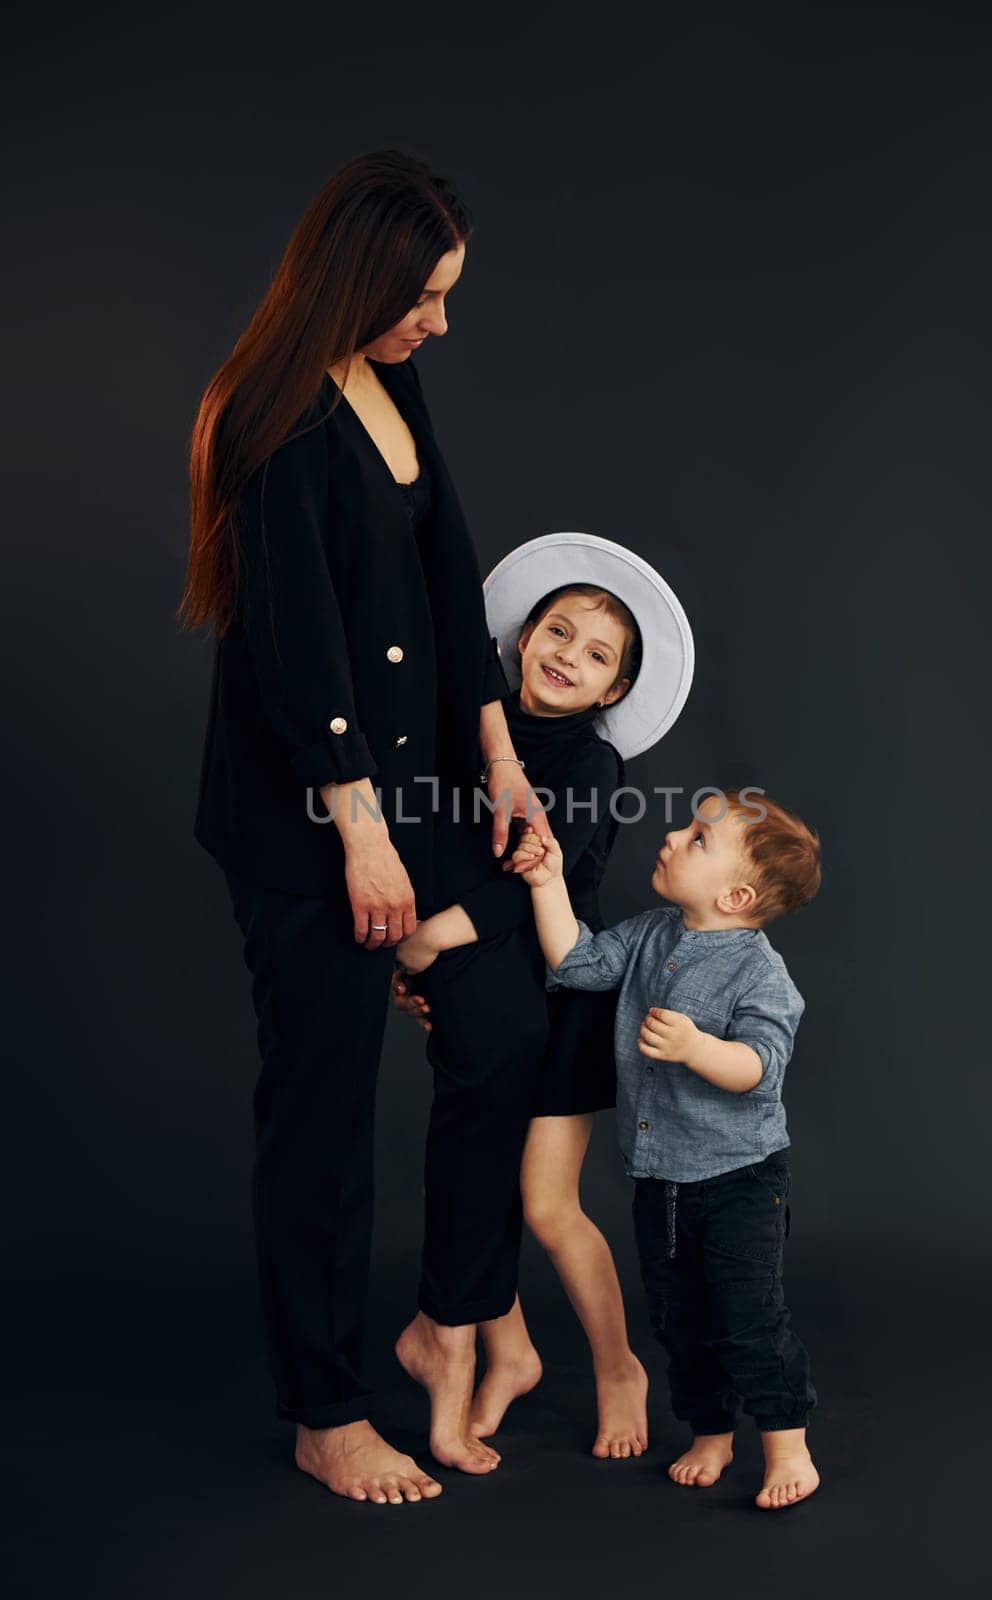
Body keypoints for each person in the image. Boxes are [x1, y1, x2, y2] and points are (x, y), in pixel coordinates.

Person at [179, 148, 548, 1507]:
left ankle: (448, 1318)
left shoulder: (389, 380)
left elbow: (447, 574)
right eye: (423, 297)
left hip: (420, 796)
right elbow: (299, 651)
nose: (437, 323)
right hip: (311, 822)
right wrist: (363, 837)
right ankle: (324, 1410)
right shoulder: (270, 413)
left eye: (447, 297)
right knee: (324, 1118)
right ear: (359, 280)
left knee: (502, 1027)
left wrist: (497, 753)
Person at [389, 533, 695, 1470]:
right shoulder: (472, 732)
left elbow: (537, 882)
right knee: (483, 1161)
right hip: (487, 982)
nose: (568, 655)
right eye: (557, 631)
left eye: (596, 654)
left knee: (546, 1202)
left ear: (611, 691)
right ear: (522, 638)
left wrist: (437, 935)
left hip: (564, 987)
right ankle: (509, 1349)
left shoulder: (590, 767)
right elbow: (441, 842)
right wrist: (430, 960)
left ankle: (617, 1369)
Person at [509, 786, 823, 1510]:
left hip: (742, 1179)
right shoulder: (652, 933)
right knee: (680, 1319)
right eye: (687, 826)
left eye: (699, 839)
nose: (676, 836)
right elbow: (578, 964)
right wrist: (548, 880)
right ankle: (710, 1433)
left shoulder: (759, 973)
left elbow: (760, 1068)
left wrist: (699, 1048)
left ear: (738, 895)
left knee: (748, 1316)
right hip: (663, 1181)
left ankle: (787, 1444)